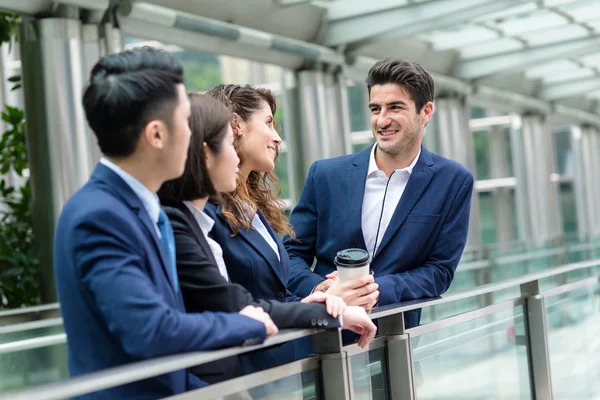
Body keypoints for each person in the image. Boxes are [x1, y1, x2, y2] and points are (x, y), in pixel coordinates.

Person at [53, 48, 277, 400]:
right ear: (156, 135)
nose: (194, 137)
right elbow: (151, 331)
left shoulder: (144, 209)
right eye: (186, 122)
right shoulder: (99, 216)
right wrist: (247, 323)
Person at [158, 93, 377, 383]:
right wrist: (324, 307)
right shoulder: (192, 219)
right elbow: (235, 301)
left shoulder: (246, 207)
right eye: (269, 123)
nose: (276, 139)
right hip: (243, 367)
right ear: (236, 127)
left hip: (275, 358)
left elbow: (268, 291)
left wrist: (317, 298)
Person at [284, 58, 474, 329]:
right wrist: (321, 291)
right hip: (321, 341)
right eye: (375, 108)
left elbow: (439, 271)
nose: (382, 120)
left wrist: (374, 291)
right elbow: (290, 253)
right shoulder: (325, 175)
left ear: (426, 111)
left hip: (396, 344)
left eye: (395, 107)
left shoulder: (453, 181)